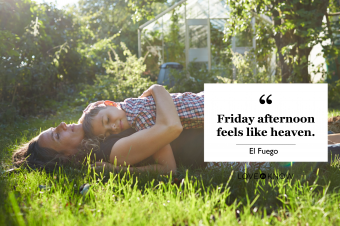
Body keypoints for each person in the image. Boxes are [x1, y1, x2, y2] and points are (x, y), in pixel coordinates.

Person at [12, 85, 194, 174]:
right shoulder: (111, 150)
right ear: (66, 156)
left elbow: (96, 105)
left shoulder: (98, 132)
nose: (62, 125)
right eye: (57, 135)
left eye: (55, 127)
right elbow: (171, 129)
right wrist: (157, 88)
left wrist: (84, 120)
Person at [79, 90, 204, 138]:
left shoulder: (139, 119)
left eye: (107, 120)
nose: (113, 127)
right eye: (109, 133)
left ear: (111, 104)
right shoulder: (131, 103)